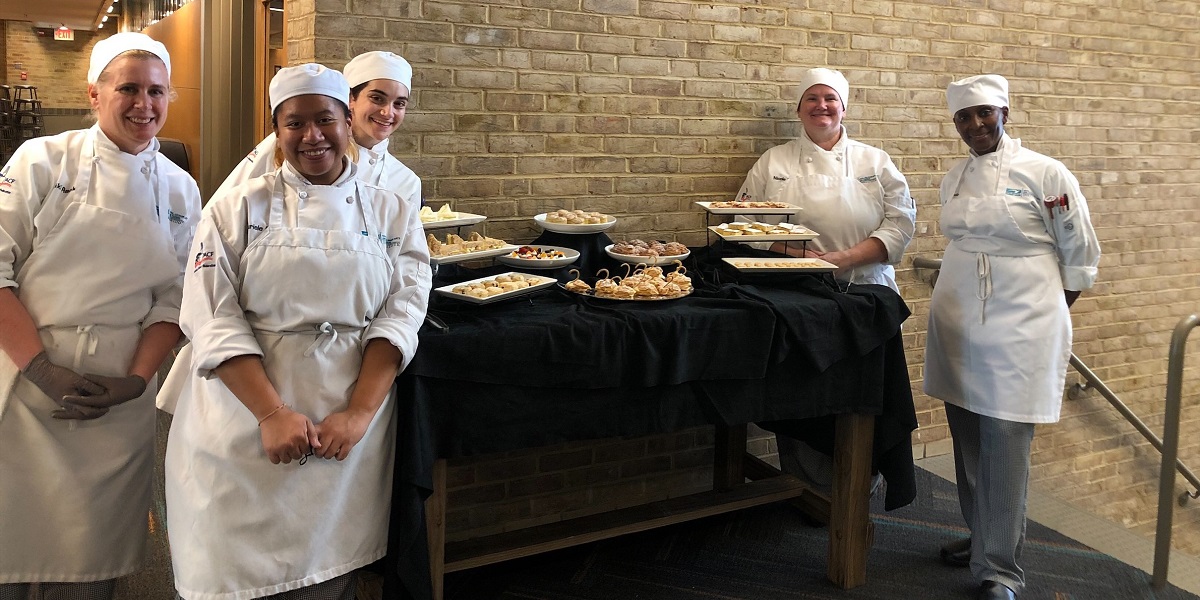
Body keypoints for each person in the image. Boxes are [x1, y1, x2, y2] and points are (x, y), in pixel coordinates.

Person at [162, 63, 431, 600]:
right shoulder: (239, 205)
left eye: (325, 120)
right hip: (240, 423)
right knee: (227, 577)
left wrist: (357, 413)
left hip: (346, 427)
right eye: (294, 123)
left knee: (329, 576)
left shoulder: (392, 208)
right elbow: (210, 312)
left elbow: (402, 312)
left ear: (346, 123)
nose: (312, 136)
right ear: (276, 130)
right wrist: (271, 412)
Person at [0, 32, 201, 600]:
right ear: (94, 94)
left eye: (157, 91)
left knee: (98, 553)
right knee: (20, 541)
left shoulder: (182, 189)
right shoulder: (42, 161)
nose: (145, 104)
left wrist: (136, 380)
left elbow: (174, 297)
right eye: (128, 88)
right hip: (28, 382)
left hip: (118, 392)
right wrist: (41, 370)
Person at [924, 74, 1100, 600]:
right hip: (958, 316)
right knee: (967, 429)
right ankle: (983, 536)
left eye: (984, 113)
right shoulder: (954, 176)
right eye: (964, 116)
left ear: (1006, 112)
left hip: (1023, 319)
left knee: (1005, 439)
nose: (975, 124)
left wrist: (1049, 310)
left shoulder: (1047, 173)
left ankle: (1000, 568)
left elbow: (1080, 253)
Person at [733, 67, 915, 495]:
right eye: (812, 99)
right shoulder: (773, 161)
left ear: (844, 107)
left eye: (830, 99)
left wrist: (845, 258)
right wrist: (796, 255)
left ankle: (859, 485)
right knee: (805, 394)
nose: (822, 106)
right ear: (799, 109)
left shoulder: (876, 161)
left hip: (868, 296)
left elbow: (901, 224)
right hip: (799, 298)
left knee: (864, 393)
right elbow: (744, 223)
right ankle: (807, 485)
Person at [214, 50, 421, 207]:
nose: (388, 112)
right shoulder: (295, 146)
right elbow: (223, 209)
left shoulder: (406, 181)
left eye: (399, 104)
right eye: (377, 98)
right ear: (350, 99)